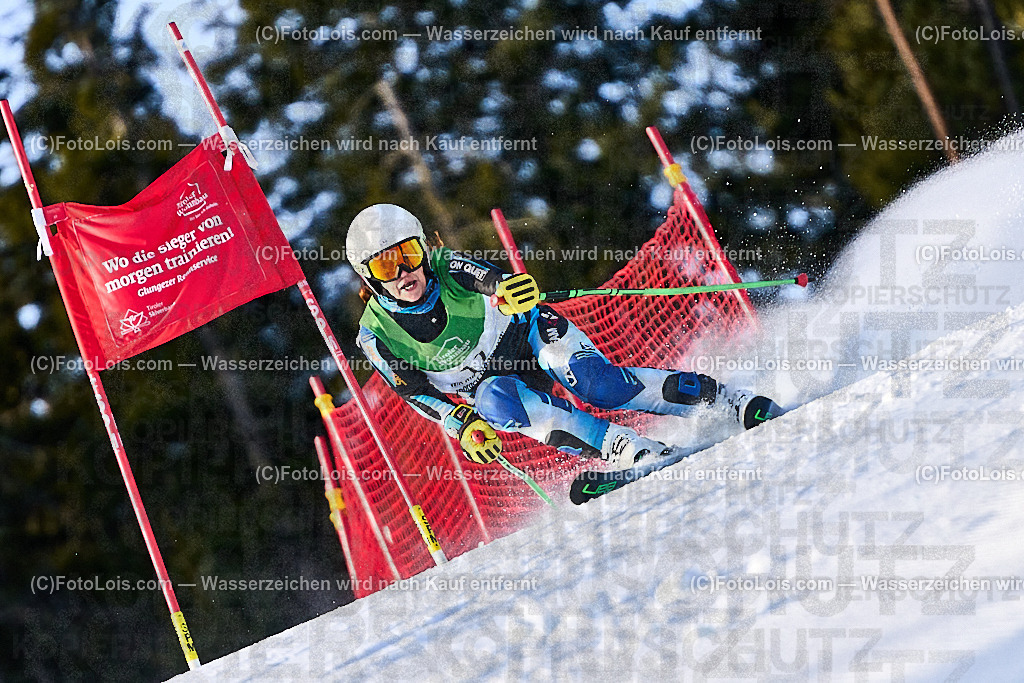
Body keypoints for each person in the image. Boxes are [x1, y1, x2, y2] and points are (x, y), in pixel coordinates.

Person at [347, 203, 781, 470]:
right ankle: (627, 450)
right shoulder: (376, 333)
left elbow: (486, 278)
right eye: (387, 266)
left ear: (424, 248)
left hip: (527, 334)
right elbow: (414, 392)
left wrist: (508, 290)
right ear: (369, 275)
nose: (404, 272)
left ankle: (727, 402)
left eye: (408, 254)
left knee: (599, 385)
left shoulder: (445, 264)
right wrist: (457, 422)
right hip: (489, 384)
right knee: (495, 401)